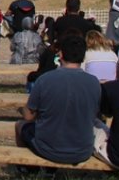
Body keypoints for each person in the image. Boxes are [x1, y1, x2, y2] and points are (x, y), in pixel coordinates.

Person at [15, 34, 99, 164]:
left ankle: (25, 167)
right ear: (83, 56)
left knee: (20, 125)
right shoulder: (94, 82)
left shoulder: (45, 80)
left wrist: (21, 110)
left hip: (48, 149)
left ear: (60, 55)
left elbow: (29, 116)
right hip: (82, 150)